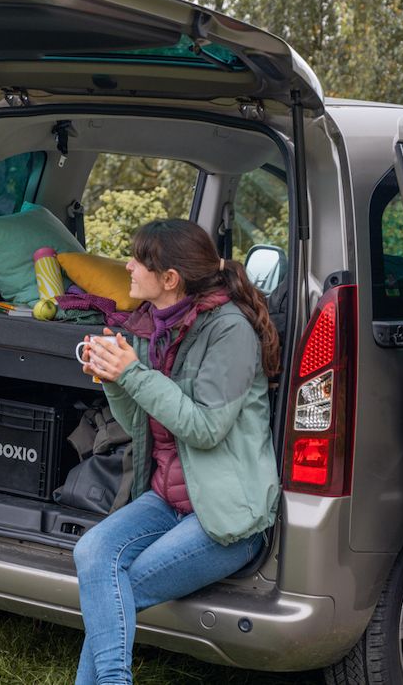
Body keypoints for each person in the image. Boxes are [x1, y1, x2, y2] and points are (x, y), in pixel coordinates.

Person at [73, 218, 282, 684]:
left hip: (223, 516)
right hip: (169, 500)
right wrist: (112, 379)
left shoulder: (229, 331)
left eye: (138, 259)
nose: (126, 265)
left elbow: (205, 428)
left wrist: (132, 374)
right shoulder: (155, 327)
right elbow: (141, 425)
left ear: (170, 278)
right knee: (92, 553)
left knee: (111, 590)